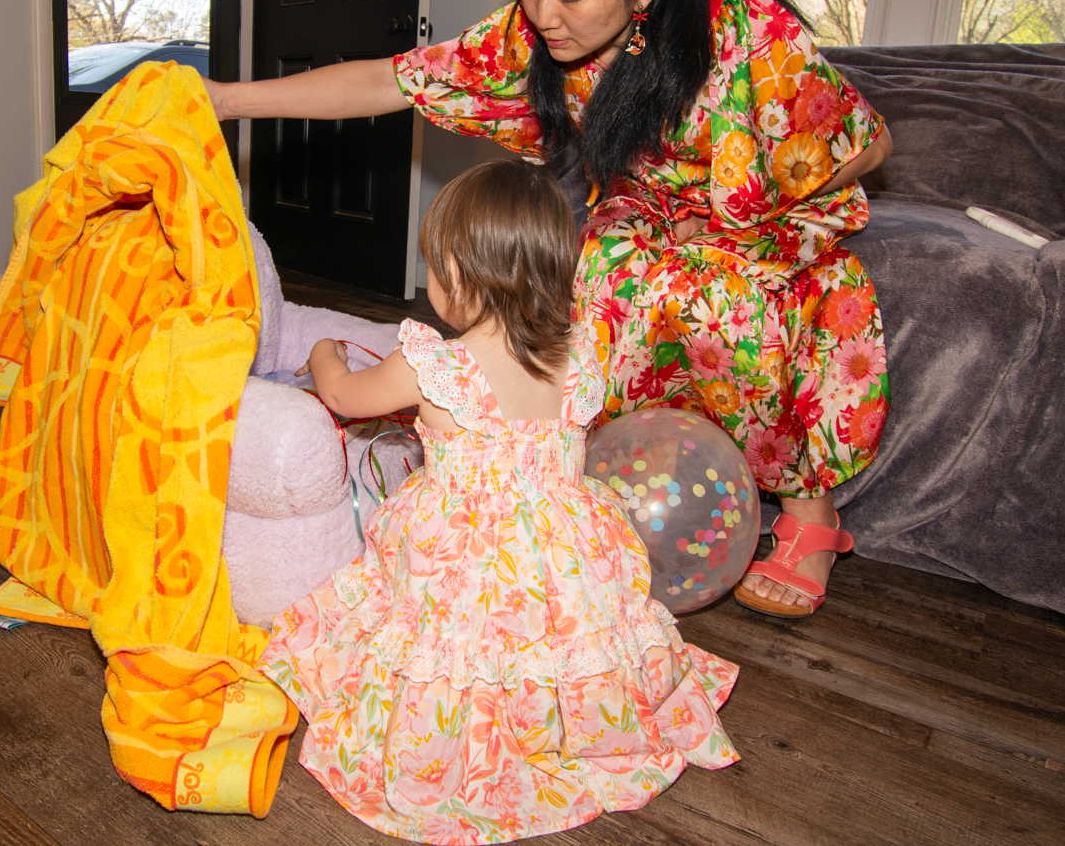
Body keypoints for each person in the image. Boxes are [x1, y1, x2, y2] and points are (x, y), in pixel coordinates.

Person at [210, 0, 891, 618]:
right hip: (647, 222)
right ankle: (588, 481)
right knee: (601, 272)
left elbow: (870, 144)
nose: (541, 13)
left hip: (761, 234)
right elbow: (389, 79)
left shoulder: (752, 35)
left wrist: (742, 204)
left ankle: (810, 513)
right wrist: (225, 99)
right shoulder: (535, 40)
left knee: (711, 291)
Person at [260, 159, 738, 846]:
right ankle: (559, 723)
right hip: (560, 564)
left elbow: (343, 396)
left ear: (459, 275)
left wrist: (324, 349)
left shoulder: (436, 365)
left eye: (435, 265)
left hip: (465, 568)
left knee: (432, 634)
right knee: (560, 647)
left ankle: (461, 745)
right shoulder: (581, 357)